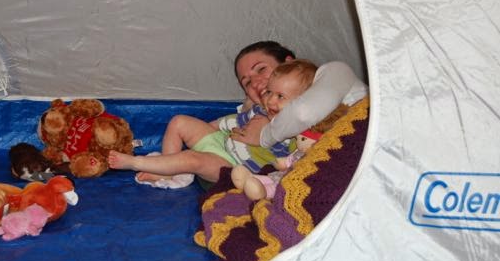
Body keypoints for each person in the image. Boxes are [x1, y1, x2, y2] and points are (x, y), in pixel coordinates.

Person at [107, 59, 319, 183]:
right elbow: (234, 120)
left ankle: (135, 162)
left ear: (302, 102)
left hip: (234, 166)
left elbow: (294, 160)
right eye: (270, 92)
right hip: (223, 142)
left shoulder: (293, 133)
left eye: (280, 96)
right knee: (179, 121)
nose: (271, 100)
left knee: (193, 159)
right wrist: (209, 128)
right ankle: (168, 166)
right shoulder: (261, 110)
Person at [231, 41, 367, 149]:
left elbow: (303, 112)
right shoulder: (261, 122)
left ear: (288, 63)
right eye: (247, 83)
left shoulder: (336, 71)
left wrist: (263, 135)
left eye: (261, 69)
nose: (255, 83)